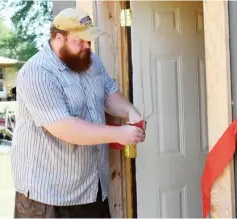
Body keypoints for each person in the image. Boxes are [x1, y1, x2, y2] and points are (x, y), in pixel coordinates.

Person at [11, 7, 145, 218]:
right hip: (48, 197)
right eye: (79, 41)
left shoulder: (91, 62)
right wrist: (119, 134)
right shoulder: (37, 73)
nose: (86, 46)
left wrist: (130, 111)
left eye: (89, 41)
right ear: (58, 38)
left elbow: (109, 94)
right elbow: (64, 127)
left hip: (91, 189)